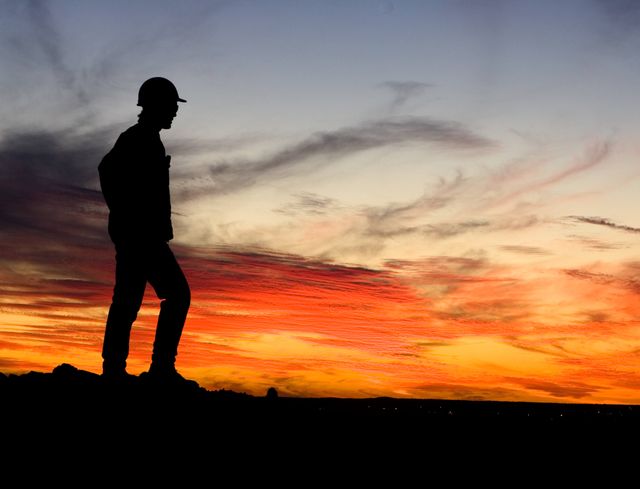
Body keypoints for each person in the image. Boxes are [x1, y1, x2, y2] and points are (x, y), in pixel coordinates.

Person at [98, 77, 191, 383]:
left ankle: (115, 369)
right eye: (172, 106)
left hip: (137, 234)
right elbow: (107, 170)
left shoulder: (147, 137)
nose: (175, 113)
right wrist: (125, 214)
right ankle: (160, 368)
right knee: (177, 295)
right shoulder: (139, 138)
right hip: (141, 237)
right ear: (156, 106)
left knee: (127, 300)